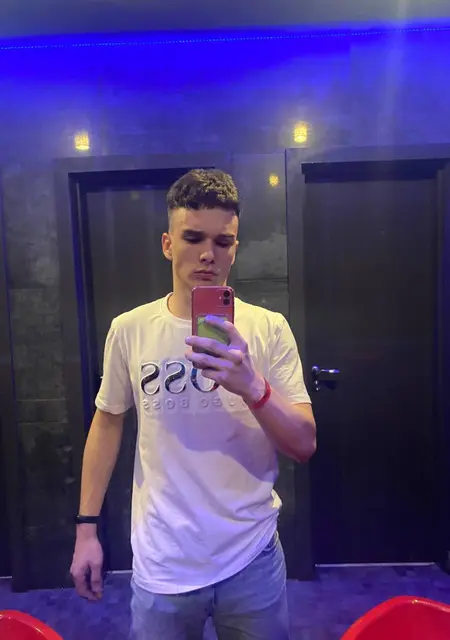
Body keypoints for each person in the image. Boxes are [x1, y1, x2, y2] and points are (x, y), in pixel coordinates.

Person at [70, 169, 316, 639]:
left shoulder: (268, 329)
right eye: (193, 238)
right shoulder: (130, 329)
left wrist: (253, 387)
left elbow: (304, 444)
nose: (208, 254)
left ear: (235, 248)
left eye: (223, 242)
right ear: (167, 244)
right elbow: (107, 423)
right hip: (163, 560)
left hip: (251, 555)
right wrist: (86, 529)